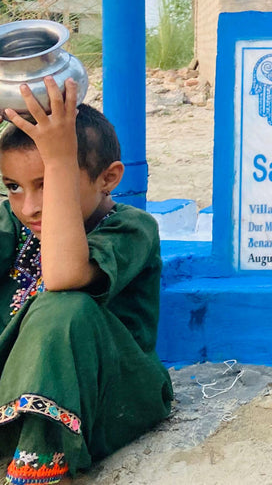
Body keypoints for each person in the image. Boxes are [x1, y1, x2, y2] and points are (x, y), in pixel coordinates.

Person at [0, 77, 173, 485]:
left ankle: (41, 470)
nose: (30, 206)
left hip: (111, 396)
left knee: (64, 305)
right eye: (13, 187)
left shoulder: (130, 228)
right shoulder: (12, 221)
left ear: (108, 178)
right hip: (16, 387)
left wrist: (59, 158)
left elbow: (63, 276)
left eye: (48, 184)